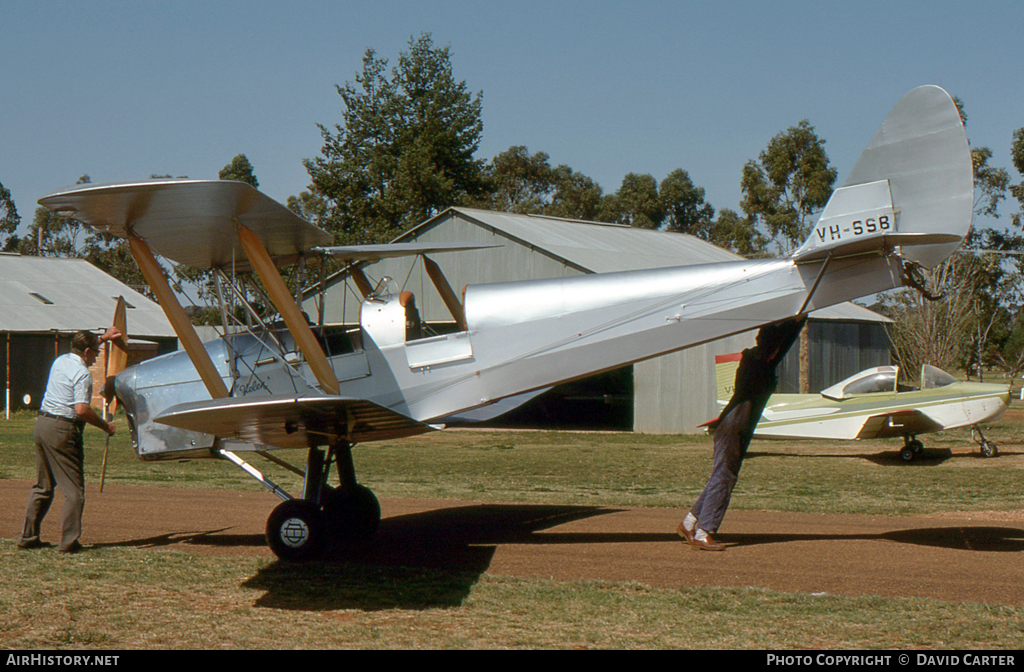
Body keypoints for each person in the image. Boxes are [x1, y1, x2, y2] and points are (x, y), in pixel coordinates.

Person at [679, 316, 806, 551]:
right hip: (733, 426)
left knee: (722, 474)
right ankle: (703, 531)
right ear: (769, 347)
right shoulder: (757, 363)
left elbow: (781, 343)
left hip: (737, 425)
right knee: (725, 476)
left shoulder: (758, 359)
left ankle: (689, 523)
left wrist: (799, 319)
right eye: (774, 348)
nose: (777, 352)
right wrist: (794, 322)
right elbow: (777, 345)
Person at [18, 327, 121, 554]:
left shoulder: (62, 359)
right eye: (95, 351)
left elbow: (84, 344)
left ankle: (28, 537)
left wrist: (104, 338)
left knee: (43, 486)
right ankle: (69, 542)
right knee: (74, 492)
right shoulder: (82, 374)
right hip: (63, 429)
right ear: (86, 351)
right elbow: (82, 410)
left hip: (42, 425)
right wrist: (106, 426)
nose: (96, 356)